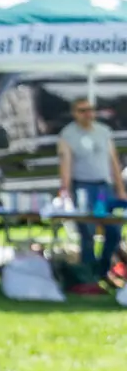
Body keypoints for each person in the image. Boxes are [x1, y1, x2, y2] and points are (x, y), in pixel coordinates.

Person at [57, 97, 125, 278]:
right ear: (74, 113)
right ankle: (88, 275)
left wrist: (120, 189)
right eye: (82, 110)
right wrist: (65, 189)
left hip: (104, 187)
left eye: (90, 109)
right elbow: (66, 164)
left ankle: (102, 269)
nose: (88, 114)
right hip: (83, 187)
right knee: (87, 232)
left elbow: (114, 161)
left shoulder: (104, 132)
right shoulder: (68, 134)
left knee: (113, 231)